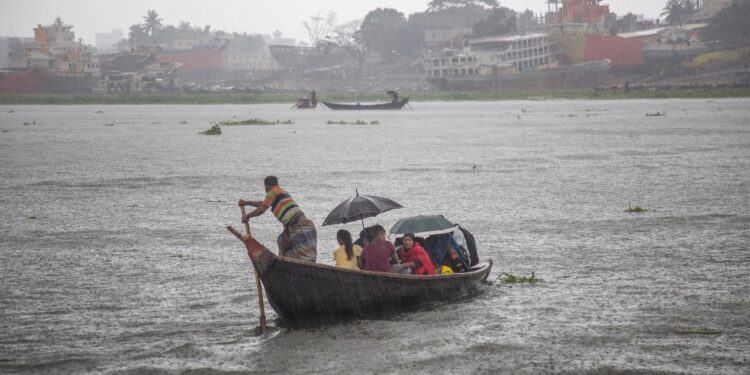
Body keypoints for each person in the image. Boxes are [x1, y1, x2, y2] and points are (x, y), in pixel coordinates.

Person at [238, 176, 317, 262]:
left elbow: (262, 209)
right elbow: (263, 204)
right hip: (295, 224)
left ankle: (290, 265)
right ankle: (285, 263)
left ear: (267, 186)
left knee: (301, 249)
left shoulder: (272, 192)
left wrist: (248, 216)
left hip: (297, 224)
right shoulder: (280, 191)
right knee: (281, 241)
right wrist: (247, 203)